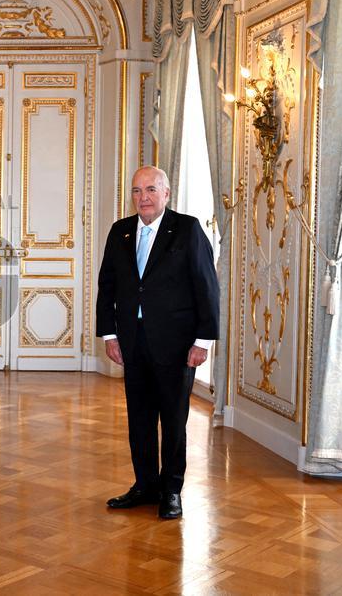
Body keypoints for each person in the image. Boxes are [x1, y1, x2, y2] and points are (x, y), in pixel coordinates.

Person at [96, 166, 219, 520]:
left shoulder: (187, 229)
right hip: (132, 344)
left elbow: (206, 287)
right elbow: (108, 286)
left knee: (174, 421)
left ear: (166, 194)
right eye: (137, 191)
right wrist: (110, 334)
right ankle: (145, 485)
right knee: (140, 419)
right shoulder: (120, 231)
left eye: (150, 190)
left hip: (177, 344)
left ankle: (171, 490)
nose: (143, 198)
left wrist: (202, 341)